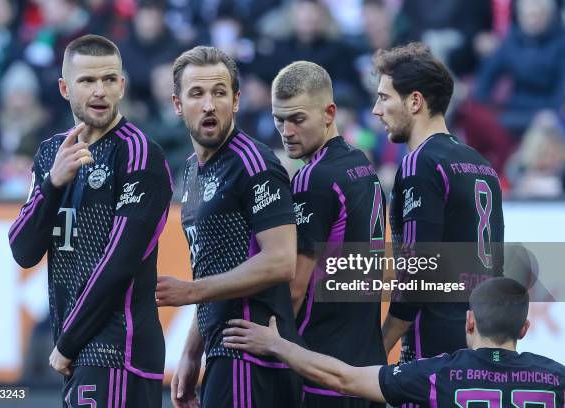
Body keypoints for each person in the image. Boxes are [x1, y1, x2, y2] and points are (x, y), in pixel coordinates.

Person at [9, 34, 172, 408]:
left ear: (122, 85)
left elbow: (119, 264)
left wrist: (67, 341)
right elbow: (22, 249)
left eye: (109, 80)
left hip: (119, 351)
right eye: (87, 81)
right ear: (65, 88)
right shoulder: (52, 152)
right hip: (78, 350)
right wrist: (52, 184)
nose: (100, 91)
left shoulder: (140, 154)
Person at [155, 46, 302, 408]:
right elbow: (215, 265)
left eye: (219, 93)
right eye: (197, 94)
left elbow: (282, 260)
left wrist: (191, 292)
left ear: (236, 101)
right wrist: (192, 351)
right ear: (177, 105)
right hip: (220, 350)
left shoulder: (254, 164)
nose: (209, 105)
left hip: (249, 354)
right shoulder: (190, 169)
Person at [223, 277, 565, 406]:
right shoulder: (556, 379)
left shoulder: (437, 374)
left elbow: (343, 378)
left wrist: (278, 344)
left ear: (470, 321)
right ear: (524, 328)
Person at [371, 43, 505, 363]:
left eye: (384, 97)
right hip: (480, 340)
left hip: (433, 348)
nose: (376, 109)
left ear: (415, 101)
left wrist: (381, 344)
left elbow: (418, 270)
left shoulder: (421, 162)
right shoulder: (481, 164)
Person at [271, 60, 387, 408]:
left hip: (321, 369)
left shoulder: (313, 178)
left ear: (329, 112)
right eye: (279, 119)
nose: (287, 131)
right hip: (367, 370)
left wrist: (272, 341)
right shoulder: (362, 164)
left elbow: (294, 287)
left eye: (297, 119)